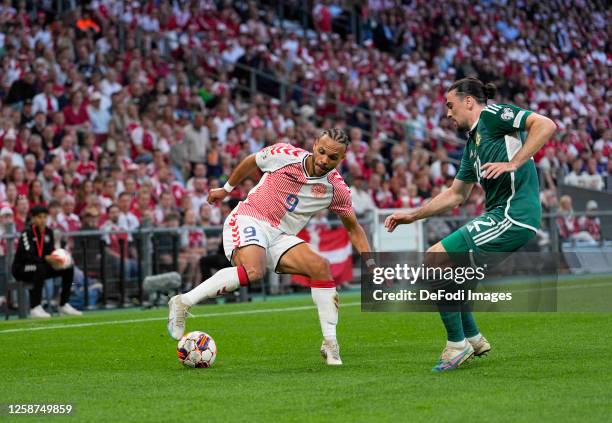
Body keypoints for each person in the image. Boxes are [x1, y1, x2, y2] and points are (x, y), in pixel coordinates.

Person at [385, 77, 557, 372]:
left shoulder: (492, 116)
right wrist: (412, 214)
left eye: (450, 106)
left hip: (512, 215)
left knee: (435, 258)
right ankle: (474, 339)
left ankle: (457, 344)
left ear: (469, 102)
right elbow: (455, 195)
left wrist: (513, 162)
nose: (448, 113)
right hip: (501, 215)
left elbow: (546, 124)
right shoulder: (472, 147)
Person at [168, 129, 372, 365]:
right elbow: (251, 161)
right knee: (254, 270)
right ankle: (183, 302)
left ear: (342, 159)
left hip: (280, 235)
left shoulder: (336, 189)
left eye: (333, 157)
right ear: (315, 144)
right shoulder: (284, 154)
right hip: (250, 217)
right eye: (322, 151)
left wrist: (372, 263)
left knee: (321, 267)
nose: (324, 159)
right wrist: (226, 189)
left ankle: (330, 344)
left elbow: (354, 228)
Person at [11, 205, 82, 318]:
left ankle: (63, 304)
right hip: (22, 268)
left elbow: (50, 251)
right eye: (39, 217)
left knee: (68, 268)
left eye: (45, 217)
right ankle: (35, 307)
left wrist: (57, 260)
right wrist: (46, 259)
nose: (43, 220)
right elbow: (28, 255)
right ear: (33, 218)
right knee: (39, 268)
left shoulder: (49, 232)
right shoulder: (27, 233)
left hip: (41, 266)